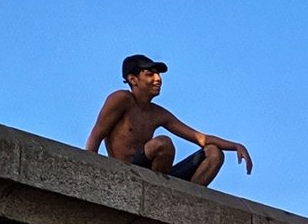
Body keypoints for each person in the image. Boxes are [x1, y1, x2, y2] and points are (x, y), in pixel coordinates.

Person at [85, 55, 253, 186]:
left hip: (160, 177)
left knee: (214, 153)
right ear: (133, 79)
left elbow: (201, 138)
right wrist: (89, 171)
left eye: (158, 74)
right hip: (126, 174)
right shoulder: (121, 99)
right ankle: (160, 190)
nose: (158, 79)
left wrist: (236, 145)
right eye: (150, 74)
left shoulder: (158, 113)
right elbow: (97, 134)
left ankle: (183, 198)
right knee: (163, 144)